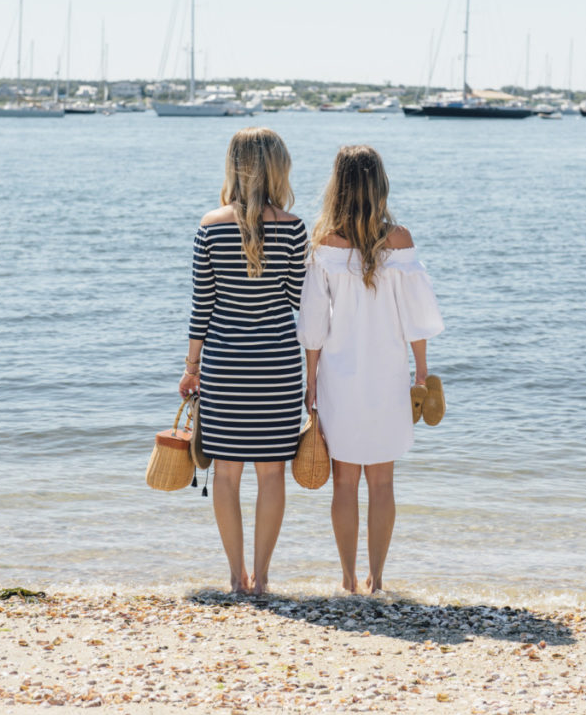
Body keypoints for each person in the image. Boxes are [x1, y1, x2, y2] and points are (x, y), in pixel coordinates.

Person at [297, 145, 443, 594]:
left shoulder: (323, 242)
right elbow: (415, 316)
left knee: (344, 483)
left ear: (337, 186)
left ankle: (347, 580)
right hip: (387, 376)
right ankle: (377, 579)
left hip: (338, 376)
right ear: (380, 185)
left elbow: (314, 323)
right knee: (382, 483)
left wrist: (310, 383)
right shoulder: (397, 239)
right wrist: (421, 373)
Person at [179, 127, 307, 595]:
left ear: (233, 165)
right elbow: (299, 299)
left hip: (225, 366)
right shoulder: (292, 227)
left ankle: (236, 578)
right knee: (271, 471)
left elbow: (202, 305)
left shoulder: (209, 225)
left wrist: (191, 368)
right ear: (278, 167)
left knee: (226, 472)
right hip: (277, 366)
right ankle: (264, 577)